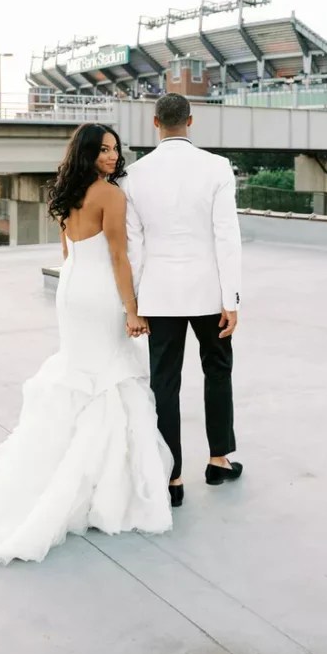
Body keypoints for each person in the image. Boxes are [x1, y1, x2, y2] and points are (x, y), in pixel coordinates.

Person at [0, 123, 173, 564]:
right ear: (88, 153)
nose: (112, 156)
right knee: (108, 379)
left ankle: (60, 476)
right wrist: (132, 309)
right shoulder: (111, 195)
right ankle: (100, 488)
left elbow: (69, 253)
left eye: (115, 149)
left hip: (71, 294)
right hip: (100, 293)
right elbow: (119, 258)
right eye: (104, 150)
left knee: (80, 374)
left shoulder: (67, 193)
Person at [120, 92, 243, 509]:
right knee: (218, 370)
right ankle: (218, 459)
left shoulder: (133, 176)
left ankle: (171, 477)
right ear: (191, 121)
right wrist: (232, 299)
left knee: (164, 384)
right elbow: (226, 235)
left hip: (158, 295)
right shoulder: (217, 167)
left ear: (156, 124)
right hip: (209, 292)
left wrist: (133, 304)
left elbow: (133, 248)